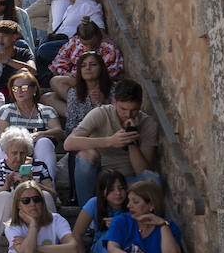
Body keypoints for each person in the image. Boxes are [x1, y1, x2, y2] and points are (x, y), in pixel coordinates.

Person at [65, 78, 161, 211]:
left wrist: (131, 139)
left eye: (134, 110)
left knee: (153, 179)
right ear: (114, 102)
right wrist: (110, 141)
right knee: (86, 155)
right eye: (123, 109)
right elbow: (69, 143)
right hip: (101, 179)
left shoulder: (148, 124)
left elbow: (143, 172)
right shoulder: (100, 113)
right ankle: (87, 213)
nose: (128, 115)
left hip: (127, 181)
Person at [0, 126, 59, 253]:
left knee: (45, 195)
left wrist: (34, 184)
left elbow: (53, 197)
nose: (18, 157)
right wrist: (4, 188)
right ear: (5, 151)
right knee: (4, 196)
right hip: (7, 215)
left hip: (34, 212)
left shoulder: (39, 167)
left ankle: (53, 240)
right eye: (14, 153)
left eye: (23, 153)